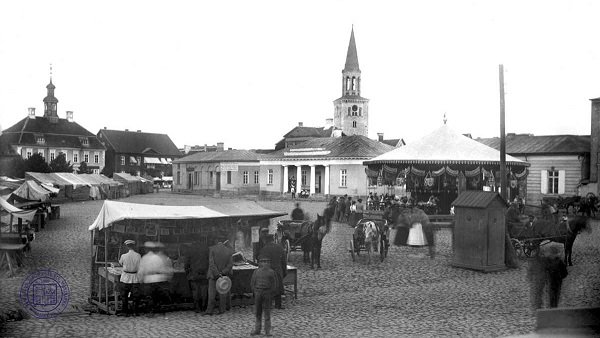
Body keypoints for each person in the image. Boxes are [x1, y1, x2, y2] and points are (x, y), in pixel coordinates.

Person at [137, 242, 173, 316]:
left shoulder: (144, 258)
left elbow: (141, 270)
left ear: (146, 249)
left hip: (149, 279)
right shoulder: (157, 257)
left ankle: (151, 312)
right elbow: (162, 269)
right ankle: (157, 309)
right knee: (156, 296)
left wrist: (140, 279)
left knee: (149, 296)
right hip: (158, 279)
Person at [204, 237, 234, 315]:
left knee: (211, 294)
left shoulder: (212, 249)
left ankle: (209, 310)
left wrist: (217, 273)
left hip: (213, 275)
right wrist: (223, 272)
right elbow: (230, 265)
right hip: (223, 276)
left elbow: (211, 263)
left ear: (216, 240)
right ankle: (222, 310)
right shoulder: (229, 251)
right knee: (222, 293)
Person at [250, 256, 277, 336]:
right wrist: (255, 291)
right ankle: (257, 329)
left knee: (267, 312)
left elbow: (274, 284)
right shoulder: (256, 272)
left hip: (267, 292)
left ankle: (267, 331)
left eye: (267, 262)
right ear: (260, 263)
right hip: (258, 292)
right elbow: (252, 283)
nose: (265, 264)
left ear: (269, 263)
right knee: (258, 312)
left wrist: (270, 293)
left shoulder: (271, 272)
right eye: (263, 262)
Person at [259, 234, 287, 309]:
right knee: (278, 288)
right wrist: (284, 272)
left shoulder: (264, 249)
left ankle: (268, 305)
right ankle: (278, 305)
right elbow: (284, 261)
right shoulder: (279, 248)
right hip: (278, 271)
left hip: (268, 271)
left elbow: (261, 262)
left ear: (266, 240)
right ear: (273, 239)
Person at [118, 240, 141, 317]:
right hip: (135, 277)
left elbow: (120, 263)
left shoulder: (123, 256)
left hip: (125, 278)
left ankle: (125, 312)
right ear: (133, 246)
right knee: (136, 296)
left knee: (124, 296)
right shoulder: (138, 255)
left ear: (127, 247)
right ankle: (135, 312)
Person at [185, 241, 209, 313]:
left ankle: (197, 308)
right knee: (204, 291)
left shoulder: (190, 250)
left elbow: (186, 264)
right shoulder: (206, 249)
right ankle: (204, 307)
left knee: (195, 291)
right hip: (204, 274)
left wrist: (187, 273)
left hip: (193, 274)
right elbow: (209, 261)